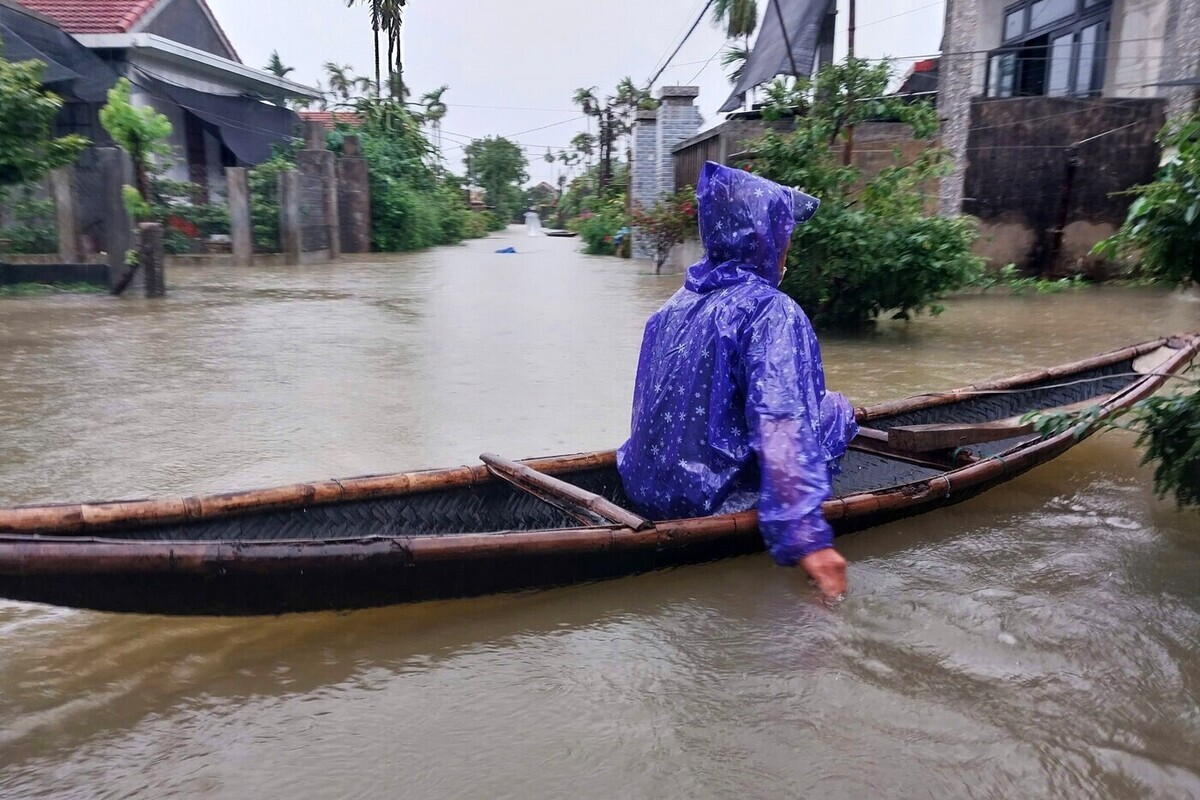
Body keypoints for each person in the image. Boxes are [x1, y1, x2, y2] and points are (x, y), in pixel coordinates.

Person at [617, 161, 859, 599]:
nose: (788, 252)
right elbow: (782, 421)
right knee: (835, 410)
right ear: (764, 240)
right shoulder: (771, 311)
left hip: (644, 486)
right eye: (784, 238)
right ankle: (790, 511)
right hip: (711, 501)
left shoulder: (670, 307)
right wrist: (810, 543)